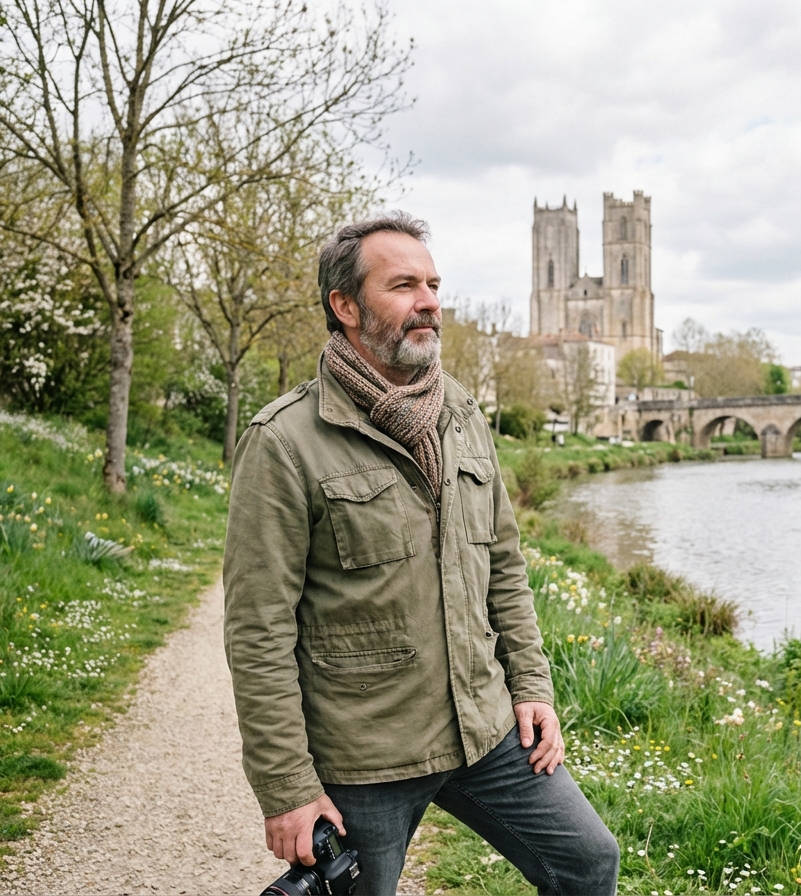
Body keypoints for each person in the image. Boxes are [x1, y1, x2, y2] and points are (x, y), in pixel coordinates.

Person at [223, 212, 620, 896]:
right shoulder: (284, 442)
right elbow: (257, 630)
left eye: (433, 284)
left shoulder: (461, 413)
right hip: (364, 757)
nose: (430, 300)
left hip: (484, 730)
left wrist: (530, 685)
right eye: (404, 285)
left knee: (589, 862)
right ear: (345, 307)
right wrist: (287, 785)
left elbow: (504, 566)